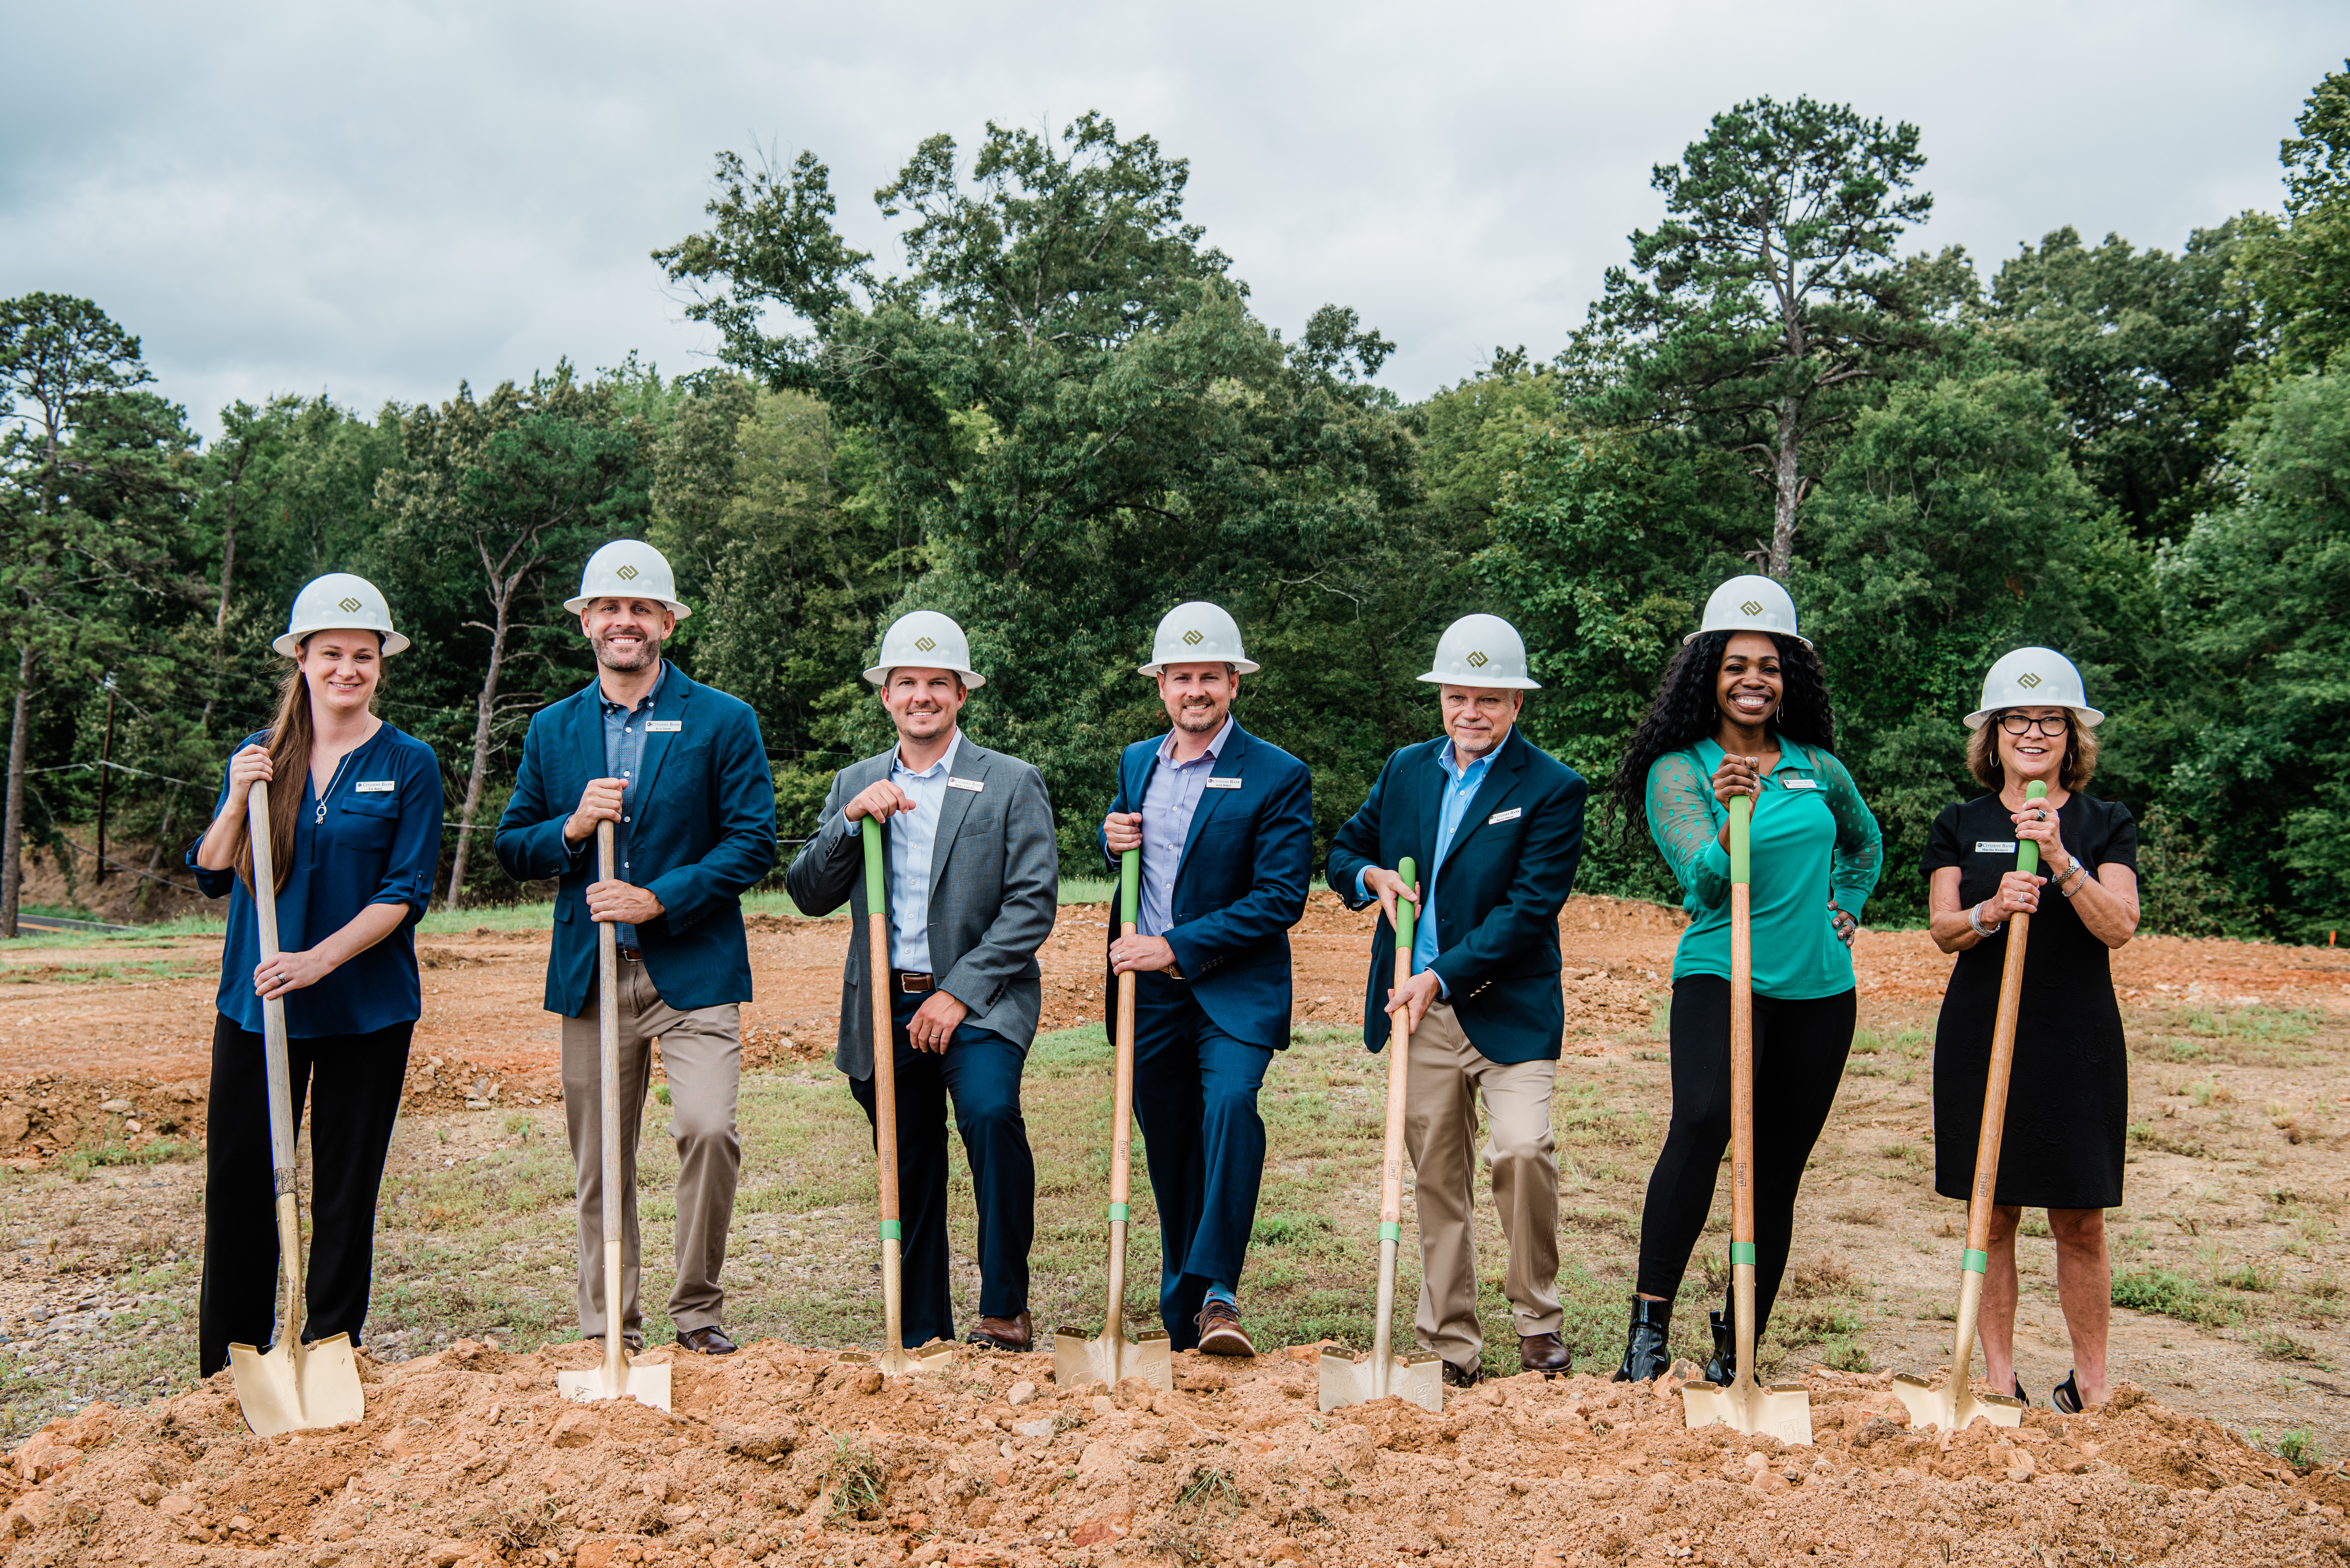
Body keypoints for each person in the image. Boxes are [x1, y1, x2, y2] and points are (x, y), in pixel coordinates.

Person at [495, 539, 776, 1357]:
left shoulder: (723, 719)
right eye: (610, 608)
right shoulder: (552, 729)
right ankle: (608, 1325)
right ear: (586, 622)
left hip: (692, 965)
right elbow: (512, 845)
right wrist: (572, 827)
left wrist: (659, 898)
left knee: (708, 1129)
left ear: (667, 623)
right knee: (601, 1160)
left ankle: (698, 1312)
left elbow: (752, 841)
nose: (625, 621)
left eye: (642, 609)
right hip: (592, 976)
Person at [1609, 575, 1882, 1384]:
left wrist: (1847, 904)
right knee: (1700, 1126)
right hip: (1720, 975)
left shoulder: (1817, 767)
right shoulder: (1680, 770)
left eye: (1768, 665)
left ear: (1788, 677)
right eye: (1735, 665)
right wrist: (1733, 820)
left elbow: (1864, 843)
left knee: (1776, 1166)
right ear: (1709, 674)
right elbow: (1699, 881)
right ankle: (1647, 1334)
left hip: (1819, 991)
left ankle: (1741, 1343)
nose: (1752, 679)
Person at [189, 574, 441, 1376]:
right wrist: (238, 798)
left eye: (363, 655)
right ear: (301, 658)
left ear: (381, 663)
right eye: (331, 653)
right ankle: (229, 1363)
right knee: (239, 1187)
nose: (347, 669)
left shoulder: (409, 762)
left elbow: (404, 892)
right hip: (258, 1006)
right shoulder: (261, 756)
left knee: (343, 1190)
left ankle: (332, 1347)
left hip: (366, 1011)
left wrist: (318, 960)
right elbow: (211, 870)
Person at [1326, 614, 1587, 1386]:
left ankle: (1537, 1319)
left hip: (1508, 1007)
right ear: (1441, 696)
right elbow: (1344, 849)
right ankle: (1449, 1343)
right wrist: (1369, 877)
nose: (1470, 712)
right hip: (1418, 1013)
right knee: (1438, 1177)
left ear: (1516, 704)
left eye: (1488, 699)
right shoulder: (1406, 769)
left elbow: (1527, 911)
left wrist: (1439, 975)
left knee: (1522, 1149)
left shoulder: (1552, 788)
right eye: (1456, 696)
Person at [785, 611, 1057, 1352]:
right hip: (884, 1005)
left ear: (961, 694)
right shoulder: (855, 782)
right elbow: (807, 892)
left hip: (980, 1002)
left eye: (938, 683)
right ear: (886, 696)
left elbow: (1032, 902)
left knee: (991, 1117)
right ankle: (923, 1332)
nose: (922, 696)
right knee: (907, 1164)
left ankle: (1004, 1308)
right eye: (907, 682)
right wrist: (848, 821)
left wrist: (957, 991)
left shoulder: (1009, 781)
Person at [1925, 648, 2140, 1414]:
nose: (2034, 732)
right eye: (2017, 718)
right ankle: (1997, 1381)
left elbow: (2119, 925)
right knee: (1992, 1211)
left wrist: (2059, 859)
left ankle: (2092, 1385)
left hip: (2076, 1038)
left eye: (2051, 719)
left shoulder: (2105, 822)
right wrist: (1990, 911)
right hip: (1982, 1033)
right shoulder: (1960, 823)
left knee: (2079, 1218)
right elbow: (1943, 929)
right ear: (1993, 733)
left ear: (2072, 734)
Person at [1099, 602, 1313, 1356]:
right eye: (1182, 676)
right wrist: (1110, 838)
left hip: (1233, 990)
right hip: (1148, 998)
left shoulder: (1277, 773)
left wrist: (1173, 946)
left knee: (1229, 1108)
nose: (1196, 690)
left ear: (1234, 684)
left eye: (1211, 677)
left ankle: (1218, 1292)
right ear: (1161, 685)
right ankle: (1184, 1306)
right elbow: (1135, 847)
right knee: (1170, 1150)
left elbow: (1280, 897)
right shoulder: (1137, 762)